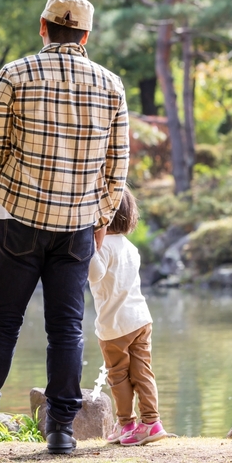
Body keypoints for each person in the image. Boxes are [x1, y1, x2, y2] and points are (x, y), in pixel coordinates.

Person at [0, 0, 129, 454]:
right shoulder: (111, 85)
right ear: (85, 36)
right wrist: (102, 217)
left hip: (18, 220)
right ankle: (62, 429)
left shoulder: (14, 74)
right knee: (66, 328)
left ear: (43, 27)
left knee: (3, 322)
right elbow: (117, 164)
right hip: (77, 224)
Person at [88, 187, 167, 446]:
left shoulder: (101, 247)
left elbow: (94, 274)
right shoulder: (130, 247)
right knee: (143, 372)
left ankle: (126, 423)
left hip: (115, 325)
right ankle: (152, 422)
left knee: (118, 375)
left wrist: (89, 247)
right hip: (141, 319)